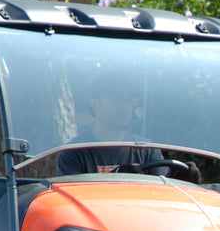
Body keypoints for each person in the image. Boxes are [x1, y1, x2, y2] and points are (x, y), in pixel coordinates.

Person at [57, 77, 200, 182]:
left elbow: (160, 196)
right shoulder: (74, 153)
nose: (125, 107)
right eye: (117, 100)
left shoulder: (147, 149)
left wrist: (181, 181)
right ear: (94, 104)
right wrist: (118, 181)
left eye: (129, 101)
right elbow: (73, 203)